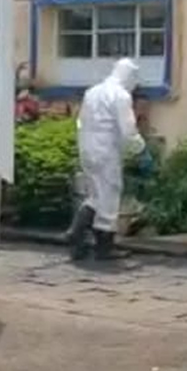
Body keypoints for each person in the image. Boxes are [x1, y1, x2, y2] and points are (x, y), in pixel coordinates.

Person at [64, 58, 146, 261]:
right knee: (109, 195)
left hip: (87, 149)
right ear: (129, 77)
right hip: (106, 151)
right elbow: (128, 130)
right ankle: (104, 247)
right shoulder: (121, 95)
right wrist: (141, 149)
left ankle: (76, 232)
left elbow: (81, 122)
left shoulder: (92, 92)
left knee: (95, 195)